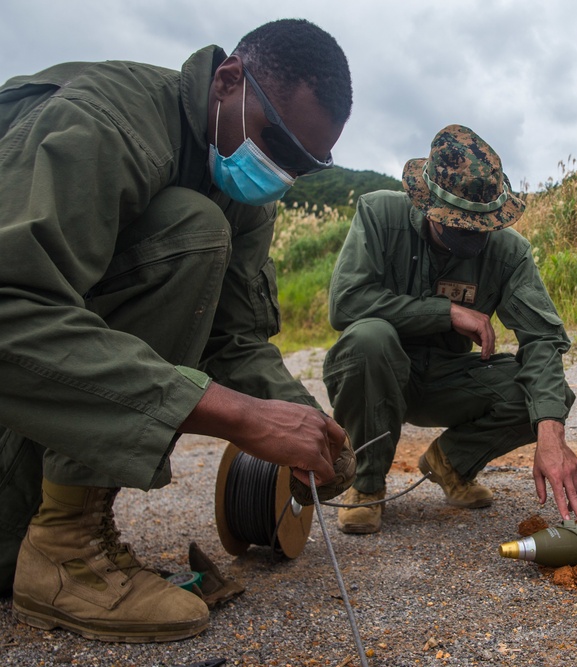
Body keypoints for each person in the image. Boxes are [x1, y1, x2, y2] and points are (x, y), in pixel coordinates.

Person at [0, 19, 355, 642]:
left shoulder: (244, 198)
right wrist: (239, 416)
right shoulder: (103, 124)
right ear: (226, 81)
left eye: (302, 163)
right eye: (274, 140)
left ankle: (62, 535)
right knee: (190, 227)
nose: (278, 170)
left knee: (196, 226)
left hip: (39, 413)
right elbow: (10, 307)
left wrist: (310, 429)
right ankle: (62, 549)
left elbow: (233, 338)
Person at [323, 124, 577, 535]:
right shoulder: (379, 215)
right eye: (460, 224)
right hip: (377, 374)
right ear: (427, 206)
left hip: (446, 380)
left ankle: (451, 463)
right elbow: (346, 303)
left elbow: (543, 338)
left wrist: (550, 433)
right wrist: (444, 312)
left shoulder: (507, 251)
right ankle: (366, 484)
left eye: (482, 224)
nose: (474, 235)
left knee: (546, 395)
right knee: (369, 338)